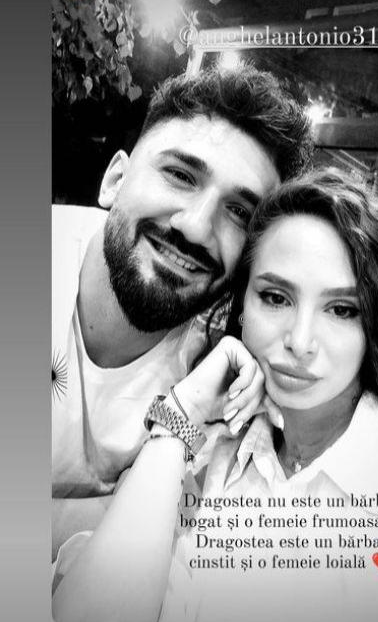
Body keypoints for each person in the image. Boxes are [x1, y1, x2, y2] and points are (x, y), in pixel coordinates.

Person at [52, 169, 378, 622]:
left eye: (341, 309)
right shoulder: (210, 454)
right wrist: (182, 414)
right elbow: (90, 619)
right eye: (275, 298)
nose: (300, 342)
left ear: (376, 322)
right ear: (243, 307)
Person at [52, 66, 312, 556]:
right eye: (180, 175)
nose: (195, 227)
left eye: (239, 212)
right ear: (114, 179)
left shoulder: (219, 382)